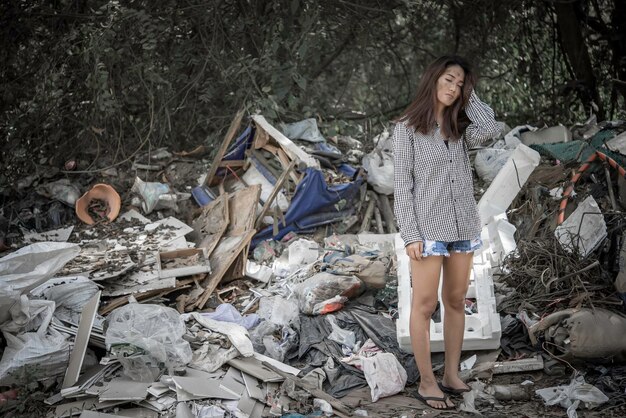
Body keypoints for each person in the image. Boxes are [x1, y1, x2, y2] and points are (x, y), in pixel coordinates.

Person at [392, 55, 500, 410]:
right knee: (425, 305)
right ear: (433, 78)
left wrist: (470, 94)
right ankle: (427, 381)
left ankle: (452, 375)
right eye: (449, 80)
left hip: (464, 225)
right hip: (428, 228)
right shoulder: (406, 129)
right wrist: (410, 235)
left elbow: (491, 128)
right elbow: (402, 186)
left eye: (460, 83)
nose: (453, 88)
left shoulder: (461, 126)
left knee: (455, 301)